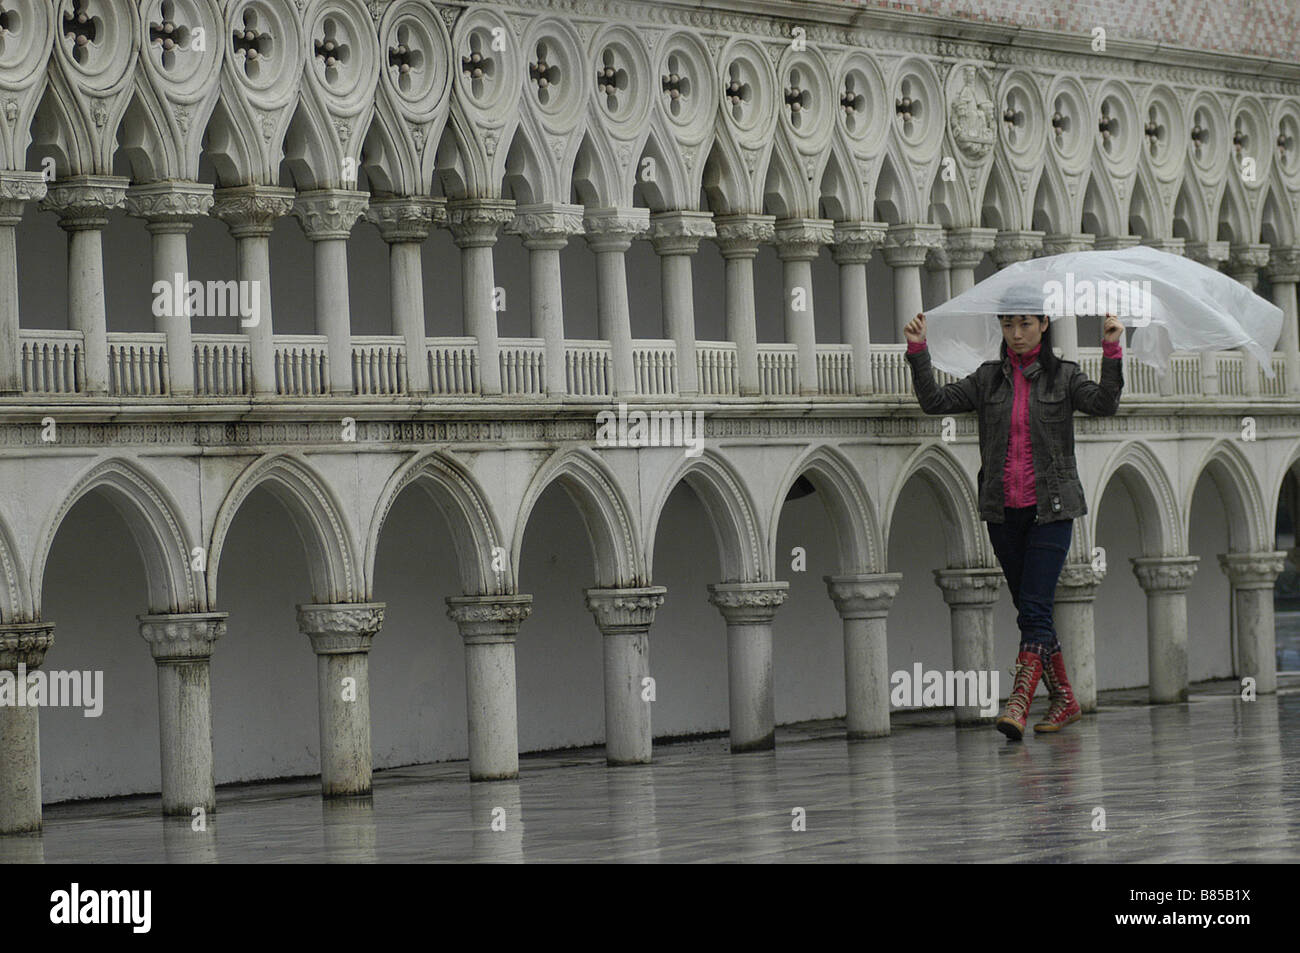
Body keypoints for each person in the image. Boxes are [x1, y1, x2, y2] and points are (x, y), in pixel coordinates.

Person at [903, 311, 1125, 740]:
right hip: (1003, 511)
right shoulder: (988, 380)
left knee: (1037, 608)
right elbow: (935, 403)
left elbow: (1105, 404)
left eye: (1025, 324)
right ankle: (1065, 699)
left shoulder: (1064, 377)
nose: (1017, 334)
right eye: (1008, 325)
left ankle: (1019, 703)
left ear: (1044, 325)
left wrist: (1112, 348)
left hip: (1052, 511)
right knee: (1030, 611)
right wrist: (918, 349)